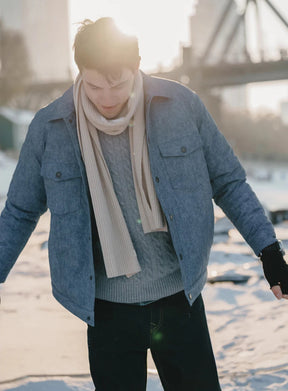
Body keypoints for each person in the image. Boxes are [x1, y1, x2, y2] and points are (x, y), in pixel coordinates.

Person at [0, 17, 288, 391]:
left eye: (117, 83)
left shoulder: (180, 106)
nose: (106, 97)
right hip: (106, 312)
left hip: (178, 301)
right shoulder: (51, 127)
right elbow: (21, 210)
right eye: (94, 85)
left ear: (137, 66)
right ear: (80, 73)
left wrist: (268, 251)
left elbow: (228, 181)